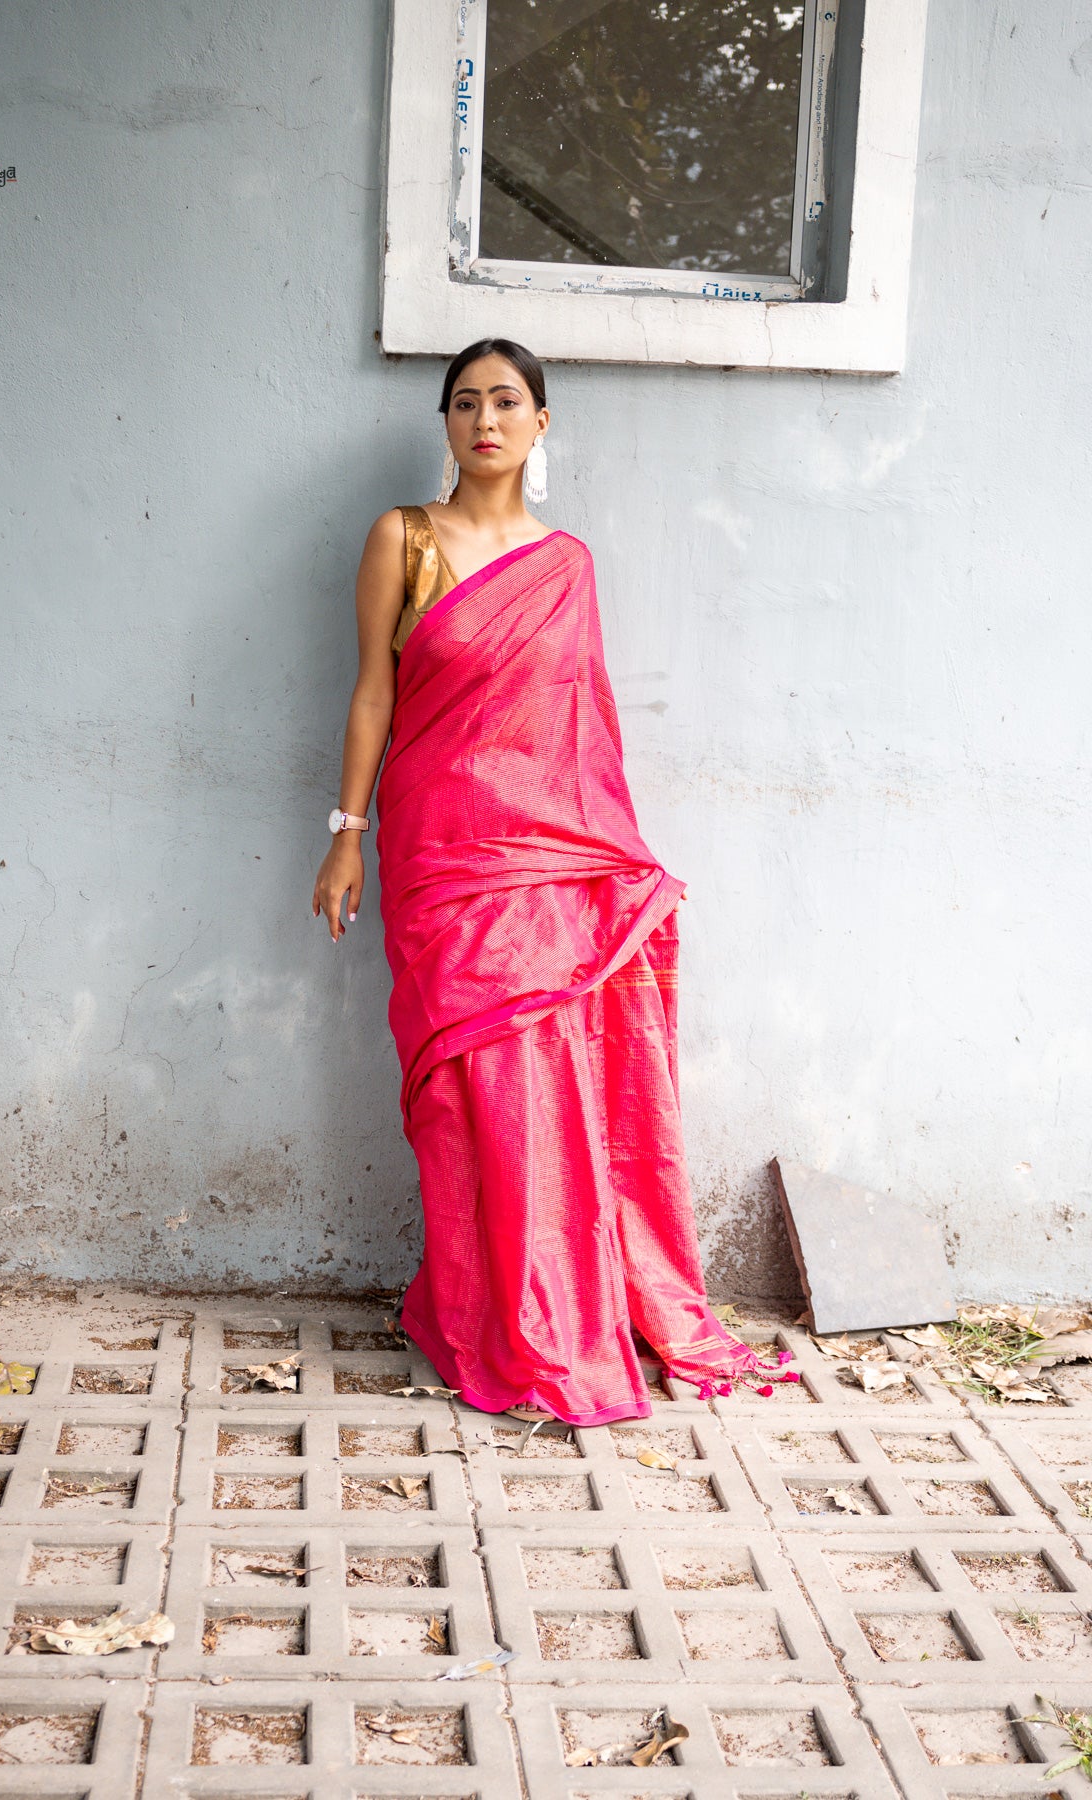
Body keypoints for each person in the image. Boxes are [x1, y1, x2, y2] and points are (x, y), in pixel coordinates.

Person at [312, 338, 794, 1424]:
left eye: (507, 402)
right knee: (466, 1098)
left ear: (541, 425)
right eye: (466, 402)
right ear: (446, 423)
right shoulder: (404, 538)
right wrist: (346, 833)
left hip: (547, 862)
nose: (485, 418)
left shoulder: (564, 564)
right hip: (439, 856)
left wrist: (608, 860)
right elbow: (372, 697)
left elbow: (580, 728)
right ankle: (486, 1307)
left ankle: (559, 1307)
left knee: (546, 1091)